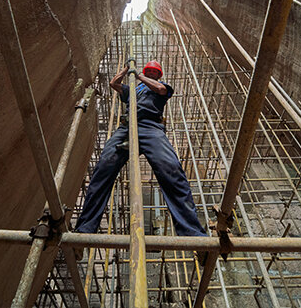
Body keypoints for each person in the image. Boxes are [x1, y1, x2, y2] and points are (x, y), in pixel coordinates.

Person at [75, 60, 207, 240]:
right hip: (126, 128)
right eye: (149, 71)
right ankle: (84, 230)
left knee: (171, 170)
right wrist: (126, 70)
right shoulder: (134, 90)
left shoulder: (161, 87)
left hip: (151, 128)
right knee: (102, 170)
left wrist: (138, 75)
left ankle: (193, 233)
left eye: (154, 72)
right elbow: (114, 84)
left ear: (158, 75)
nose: (152, 73)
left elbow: (160, 90)